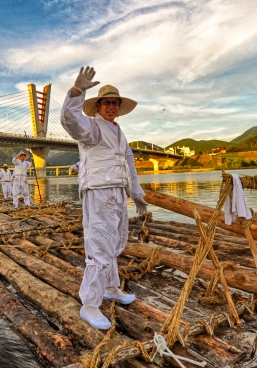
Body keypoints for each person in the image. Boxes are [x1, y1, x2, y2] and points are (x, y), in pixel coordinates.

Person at [60, 66, 148, 330]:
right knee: (99, 246)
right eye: (106, 102)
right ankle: (89, 304)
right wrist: (76, 91)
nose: (111, 106)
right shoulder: (92, 128)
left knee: (115, 242)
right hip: (99, 191)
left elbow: (129, 165)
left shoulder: (119, 133)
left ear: (119, 107)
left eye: (114, 103)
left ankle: (110, 287)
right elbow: (70, 121)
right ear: (98, 105)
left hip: (118, 193)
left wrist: (137, 194)